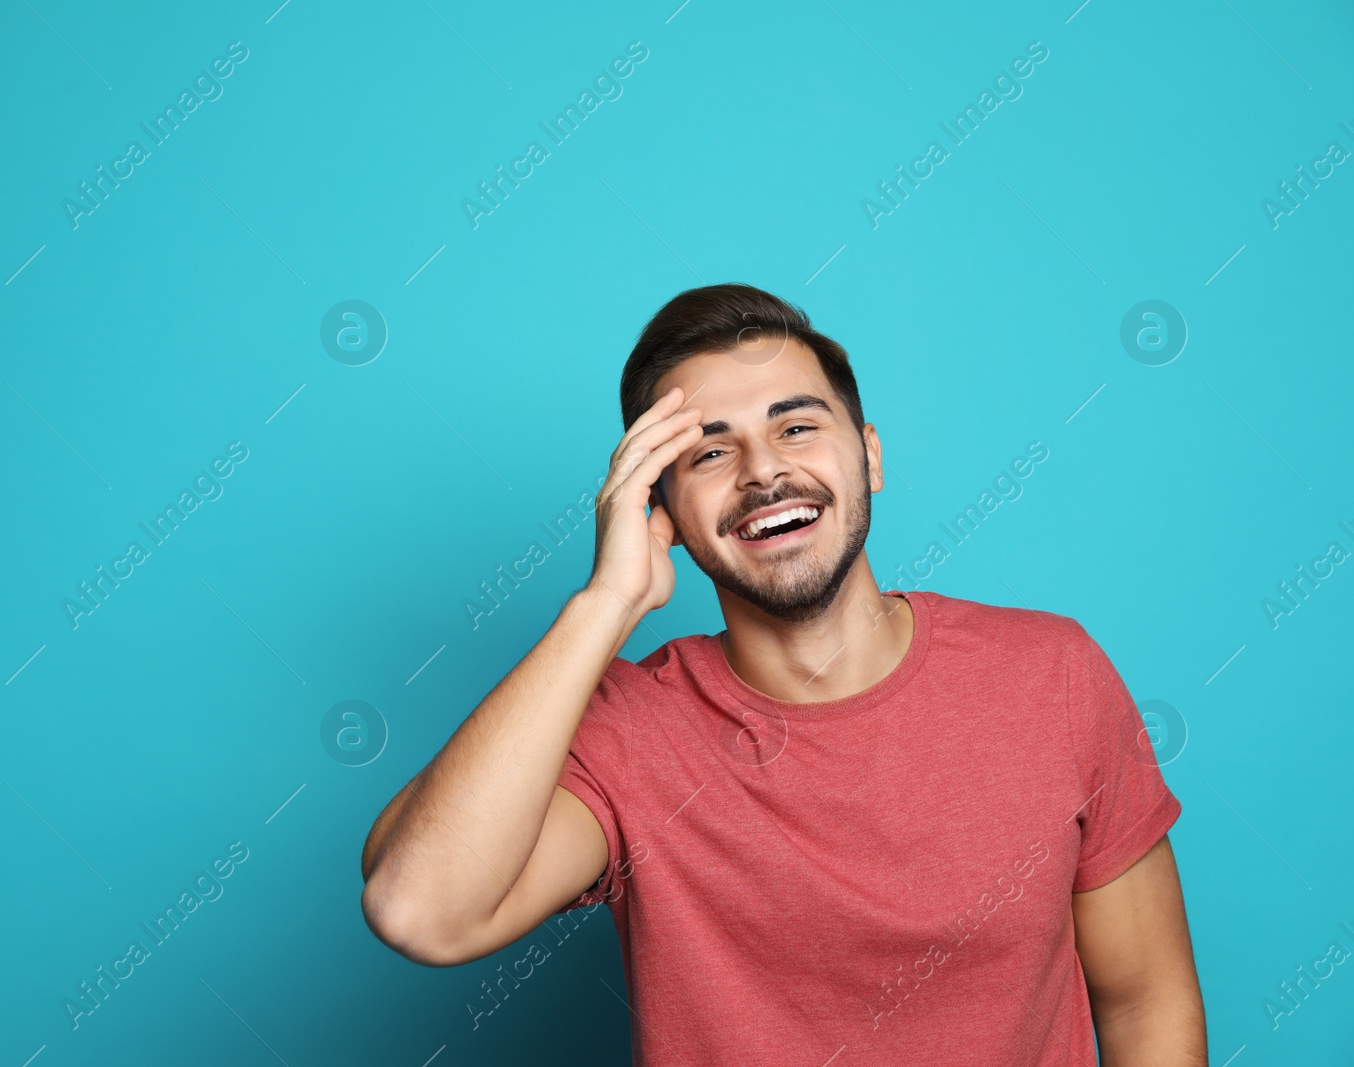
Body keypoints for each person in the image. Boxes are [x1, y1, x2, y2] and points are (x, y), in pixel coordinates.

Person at [360, 283, 1205, 1065]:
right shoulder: (626, 733)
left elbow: (1143, 1001)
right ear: (665, 516)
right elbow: (418, 907)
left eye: (796, 427)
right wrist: (605, 602)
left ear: (868, 456)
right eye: (709, 453)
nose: (765, 471)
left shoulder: (1051, 674)